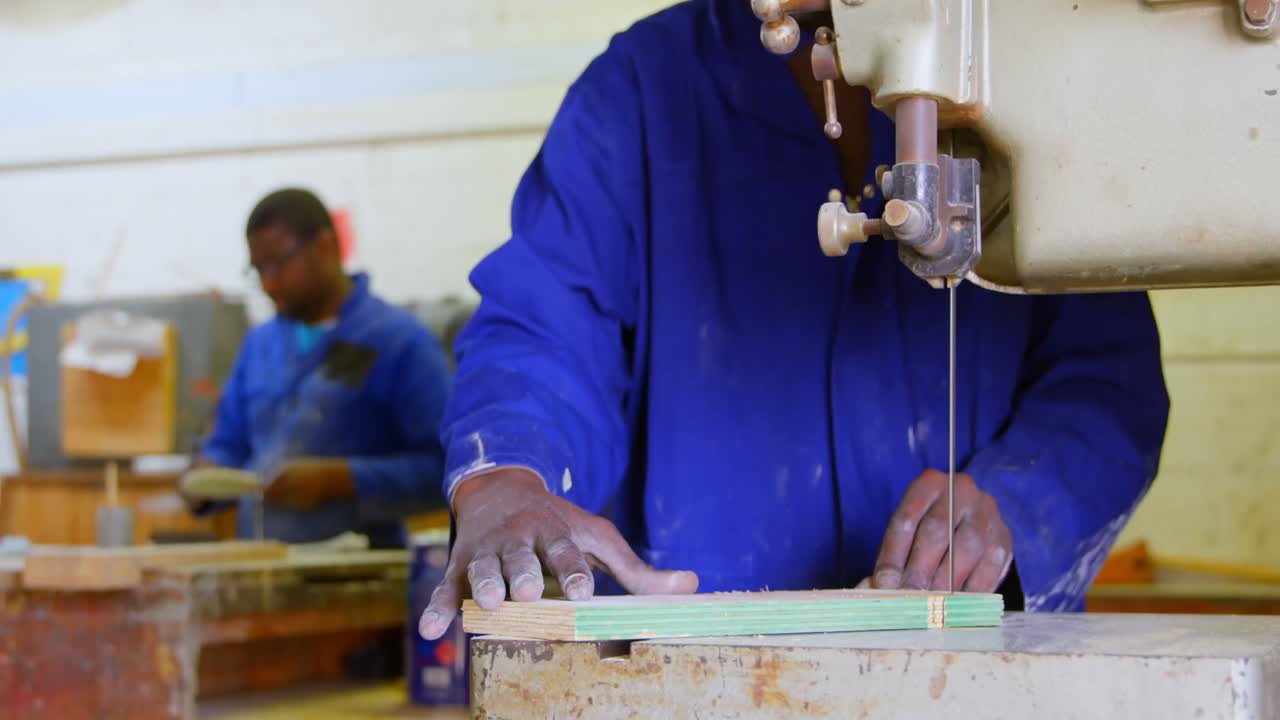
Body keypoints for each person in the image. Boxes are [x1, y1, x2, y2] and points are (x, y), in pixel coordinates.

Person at [420, 0, 1169, 639]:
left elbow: (1106, 378)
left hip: (971, 664)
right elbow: (545, 326)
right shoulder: (640, 91)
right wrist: (505, 474)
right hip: (688, 670)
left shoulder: (1030, 66)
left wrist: (1016, 506)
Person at [192, 188, 451, 548]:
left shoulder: (398, 342)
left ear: (325, 246)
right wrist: (205, 475)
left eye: (278, 265)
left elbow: (446, 469)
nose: (268, 283)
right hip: (260, 565)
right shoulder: (259, 345)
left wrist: (341, 479)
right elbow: (229, 444)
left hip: (360, 571)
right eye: (258, 270)